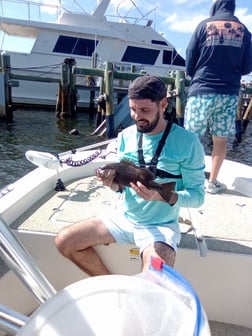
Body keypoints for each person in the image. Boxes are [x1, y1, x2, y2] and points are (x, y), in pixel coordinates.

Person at [55, 75, 205, 276]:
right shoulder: (126, 136)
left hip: (160, 226)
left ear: (163, 104)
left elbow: (197, 197)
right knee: (65, 241)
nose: (137, 116)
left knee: (156, 275)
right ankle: (113, 285)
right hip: (123, 218)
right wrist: (113, 185)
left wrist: (162, 196)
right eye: (133, 109)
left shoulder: (188, 142)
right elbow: (122, 188)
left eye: (144, 110)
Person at [184, 0, 252, 194]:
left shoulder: (203, 25)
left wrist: (194, 74)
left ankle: (188, 179)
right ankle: (212, 183)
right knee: (220, 139)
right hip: (228, 93)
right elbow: (248, 66)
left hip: (201, 90)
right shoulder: (245, 31)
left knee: (190, 138)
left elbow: (190, 56)